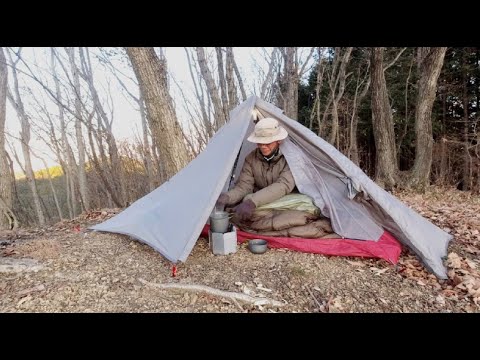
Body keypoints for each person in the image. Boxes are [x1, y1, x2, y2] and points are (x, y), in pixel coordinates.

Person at [216, 117, 296, 221]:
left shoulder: (291, 158)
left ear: (278, 141)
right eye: (259, 142)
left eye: (267, 143)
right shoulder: (251, 159)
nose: (263, 146)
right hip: (259, 202)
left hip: (284, 201)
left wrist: (252, 201)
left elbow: (284, 185)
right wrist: (228, 197)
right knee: (237, 214)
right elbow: (244, 186)